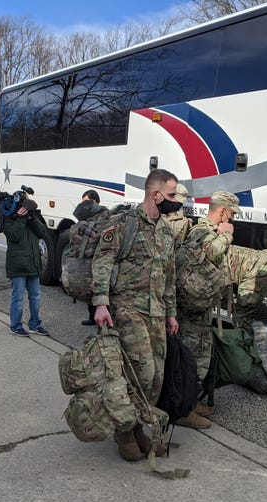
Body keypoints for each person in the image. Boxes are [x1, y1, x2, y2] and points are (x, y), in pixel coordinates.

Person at [91, 168, 179, 462]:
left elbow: (169, 276)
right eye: (171, 195)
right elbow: (103, 261)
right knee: (140, 373)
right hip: (127, 308)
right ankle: (124, 431)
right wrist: (101, 302)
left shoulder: (166, 229)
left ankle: (139, 426)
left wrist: (171, 313)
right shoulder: (124, 224)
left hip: (155, 311)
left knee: (156, 378)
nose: (175, 200)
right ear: (155, 194)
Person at [176, 191, 240, 429]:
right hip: (192, 307)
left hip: (200, 305)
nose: (232, 218)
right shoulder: (202, 231)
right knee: (194, 357)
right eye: (231, 213)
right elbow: (211, 253)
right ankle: (184, 410)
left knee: (201, 353)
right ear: (222, 211)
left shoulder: (206, 231)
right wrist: (226, 236)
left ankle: (190, 404)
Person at [4, 191, 49, 337]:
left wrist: (31, 218)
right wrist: (21, 219)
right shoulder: (9, 218)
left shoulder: (32, 217)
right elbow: (14, 236)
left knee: (35, 295)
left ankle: (35, 324)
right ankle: (15, 325)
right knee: (18, 297)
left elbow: (42, 232)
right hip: (18, 265)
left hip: (33, 263)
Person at [73, 189, 109, 326]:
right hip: (89, 258)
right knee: (90, 289)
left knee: (101, 288)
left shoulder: (105, 215)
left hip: (101, 258)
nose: (84, 205)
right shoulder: (86, 217)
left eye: (87, 202)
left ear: (95, 201)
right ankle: (92, 316)